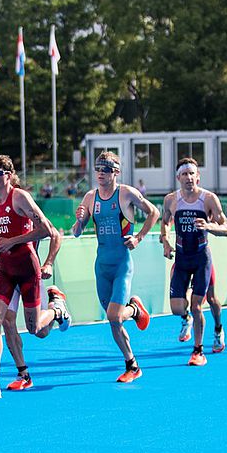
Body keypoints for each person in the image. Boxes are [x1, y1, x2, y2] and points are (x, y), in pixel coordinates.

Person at [0, 155, 70, 400]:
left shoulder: (20, 197)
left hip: (27, 267)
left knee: (36, 329)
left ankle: (56, 310)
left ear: (8, 175)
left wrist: (22, 245)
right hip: (5, 269)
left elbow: (48, 230)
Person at [71, 151, 160, 382]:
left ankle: (132, 364)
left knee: (114, 315)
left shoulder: (126, 193)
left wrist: (138, 237)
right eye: (98, 169)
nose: (101, 173)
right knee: (113, 319)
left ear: (116, 172)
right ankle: (132, 358)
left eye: (106, 170)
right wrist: (79, 219)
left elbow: (154, 212)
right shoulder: (91, 197)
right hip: (102, 265)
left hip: (121, 263)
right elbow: (77, 232)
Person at [160, 158, 227, 367]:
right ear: (178, 178)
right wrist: (165, 241)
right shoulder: (171, 200)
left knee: (204, 302)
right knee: (176, 308)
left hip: (202, 259)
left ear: (198, 176)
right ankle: (186, 318)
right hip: (182, 258)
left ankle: (204, 345)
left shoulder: (208, 199)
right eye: (185, 174)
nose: (189, 178)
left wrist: (209, 226)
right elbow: (165, 223)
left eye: (192, 174)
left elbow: (226, 228)